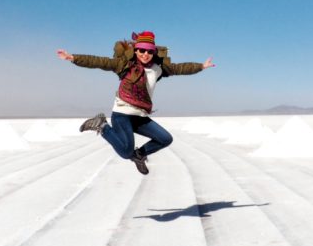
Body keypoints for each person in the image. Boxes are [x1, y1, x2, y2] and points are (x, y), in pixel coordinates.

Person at [56, 31, 214, 174]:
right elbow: (99, 62)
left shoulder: (158, 69)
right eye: (142, 50)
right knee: (125, 152)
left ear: (154, 52)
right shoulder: (125, 65)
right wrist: (73, 58)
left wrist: (201, 66)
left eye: (149, 51)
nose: (145, 54)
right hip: (122, 114)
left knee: (166, 139)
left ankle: (139, 155)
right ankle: (102, 125)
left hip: (140, 116)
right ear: (136, 50)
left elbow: (180, 68)